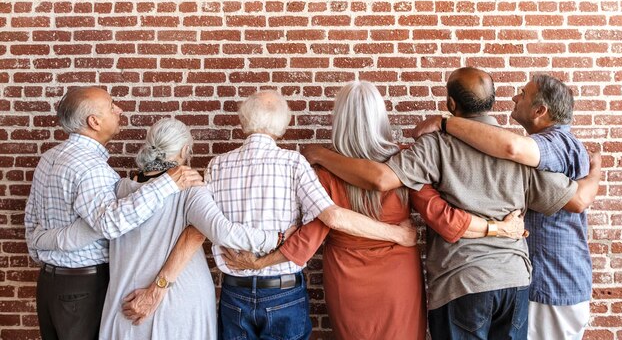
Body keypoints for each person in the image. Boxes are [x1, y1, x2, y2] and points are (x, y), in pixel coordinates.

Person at [301, 68, 602, 340]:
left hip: (461, 280)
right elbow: (572, 198)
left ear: (451, 103)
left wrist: (321, 155)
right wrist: (596, 170)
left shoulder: (433, 147)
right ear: (492, 103)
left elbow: (384, 180)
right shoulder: (519, 153)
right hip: (514, 279)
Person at [223, 81, 526, 340]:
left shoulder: (323, 170)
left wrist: (261, 262)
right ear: (380, 117)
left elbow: (310, 236)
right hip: (398, 275)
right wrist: (496, 227)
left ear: (338, 120)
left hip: (346, 277)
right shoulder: (404, 162)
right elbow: (440, 215)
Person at [30, 118, 286, 339]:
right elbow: (223, 232)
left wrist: (42, 238)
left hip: (123, 301)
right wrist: (275, 237)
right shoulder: (190, 189)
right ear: (185, 149)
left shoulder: (119, 188)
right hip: (179, 302)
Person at [207, 89, 419, 340]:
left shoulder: (217, 165)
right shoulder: (404, 160)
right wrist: (398, 233)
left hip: (238, 288)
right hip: (291, 287)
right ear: (283, 124)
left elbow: (207, 223)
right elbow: (329, 218)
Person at [413, 74, 599, 340]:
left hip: (551, 285)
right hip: (532, 282)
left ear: (540, 111)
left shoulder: (552, 144)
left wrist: (445, 123)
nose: (514, 97)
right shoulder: (543, 150)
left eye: (522, 94)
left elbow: (511, 147)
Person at [24, 87, 203, 340]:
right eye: (111, 105)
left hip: (48, 284)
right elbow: (110, 223)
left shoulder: (49, 158)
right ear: (94, 122)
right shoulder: (92, 168)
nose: (119, 109)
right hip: (83, 290)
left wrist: (44, 245)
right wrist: (168, 183)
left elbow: (31, 219)